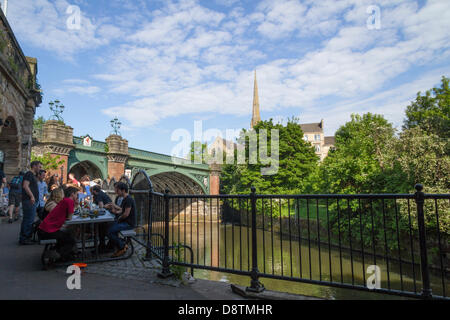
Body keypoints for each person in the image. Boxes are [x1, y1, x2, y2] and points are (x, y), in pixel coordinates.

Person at [38, 187, 79, 261]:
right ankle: (56, 254)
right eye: (76, 194)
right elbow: (70, 217)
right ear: (72, 194)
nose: (77, 196)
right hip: (48, 231)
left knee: (68, 235)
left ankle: (64, 254)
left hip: (44, 229)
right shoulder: (69, 201)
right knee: (71, 240)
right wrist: (75, 205)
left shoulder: (65, 200)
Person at [106, 182, 136, 258]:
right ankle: (117, 245)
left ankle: (122, 246)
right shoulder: (125, 199)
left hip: (129, 223)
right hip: (125, 222)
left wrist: (119, 218)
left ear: (123, 190)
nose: (116, 191)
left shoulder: (128, 199)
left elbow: (126, 214)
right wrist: (116, 211)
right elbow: (122, 210)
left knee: (109, 232)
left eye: (117, 190)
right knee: (109, 227)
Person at [19, 161, 42, 245]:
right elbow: (25, 185)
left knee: (28, 219)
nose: (40, 169)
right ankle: (24, 238)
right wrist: (32, 196)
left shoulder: (32, 175)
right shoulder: (29, 174)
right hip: (29, 201)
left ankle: (25, 237)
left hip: (31, 201)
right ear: (34, 166)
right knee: (29, 220)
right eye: (39, 167)